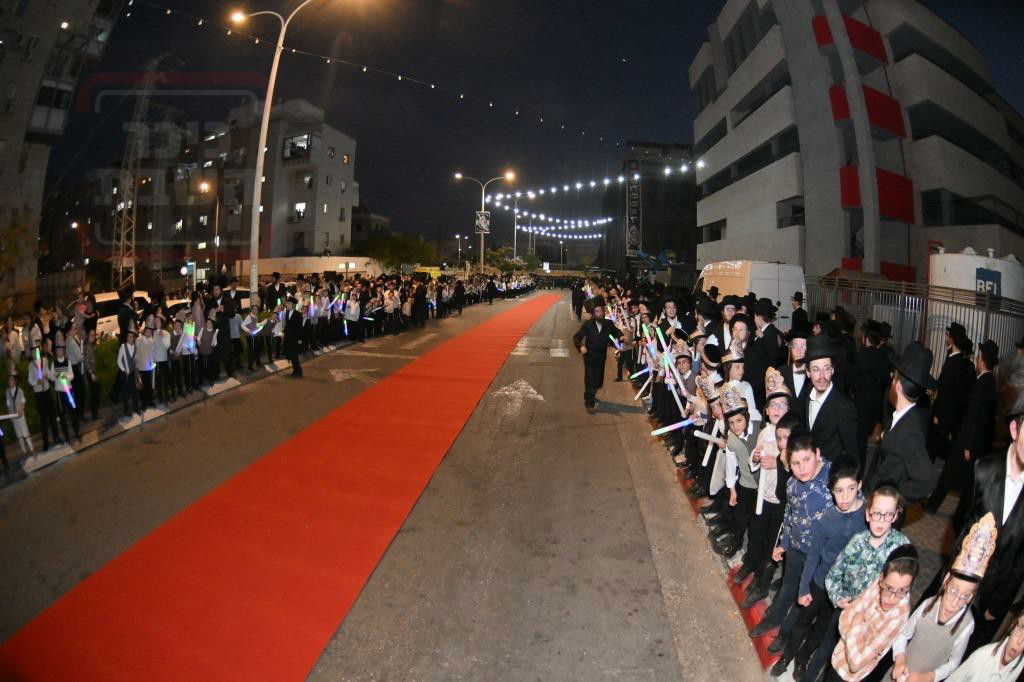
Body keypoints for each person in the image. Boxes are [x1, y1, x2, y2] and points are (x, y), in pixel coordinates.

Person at [773, 459, 866, 680]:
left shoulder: (867, 516)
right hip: (820, 582)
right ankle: (787, 656)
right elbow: (813, 556)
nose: (844, 497)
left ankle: (803, 659)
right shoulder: (826, 519)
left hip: (844, 591)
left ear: (859, 486)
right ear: (831, 491)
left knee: (823, 629)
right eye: (838, 491)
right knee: (803, 621)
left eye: (850, 489)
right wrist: (804, 587)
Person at [749, 432, 833, 655]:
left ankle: (786, 635)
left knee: (802, 600)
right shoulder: (792, 484)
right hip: (796, 549)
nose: (802, 468)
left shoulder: (835, 480)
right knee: (787, 587)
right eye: (795, 463)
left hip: (819, 557)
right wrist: (784, 543)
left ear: (818, 454)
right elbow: (789, 514)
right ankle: (773, 619)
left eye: (807, 460)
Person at [891, 512, 997, 681]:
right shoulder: (928, 605)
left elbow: (953, 663)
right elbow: (904, 634)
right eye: (954, 591)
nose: (955, 603)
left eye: (964, 597)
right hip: (901, 672)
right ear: (946, 581)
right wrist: (900, 658)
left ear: (971, 597)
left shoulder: (967, 625)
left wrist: (929, 677)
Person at [821, 486, 911, 681]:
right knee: (828, 652)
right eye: (877, 513)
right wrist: (838, 598)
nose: (881, 520)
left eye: (888, 515)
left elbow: (903, 589)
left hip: (873, 628)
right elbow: (833, 575)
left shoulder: (901, 547)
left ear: (896, 516)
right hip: (846, 612)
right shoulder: (857, 542)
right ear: (868, 514)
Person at [927, 340, 999, 525]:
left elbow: (974, 418)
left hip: (968, 441)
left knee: (949, 475)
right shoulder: (991, 382)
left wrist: (968, 446)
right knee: (969, 483)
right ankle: (960, 514)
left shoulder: (982, 384)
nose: (976, 360)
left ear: (982, 361)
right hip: (979, 443)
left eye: (978, 357)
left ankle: (933, 506)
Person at [827, 544, 920, 681]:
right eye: (889, 588)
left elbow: (856, 664)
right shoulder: (877, 583)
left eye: (902, 591)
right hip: (838, 658)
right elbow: (845, 615)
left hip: (852, 678)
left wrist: (857, 624)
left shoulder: (900, 615)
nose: (892, 598)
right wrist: (858, 644)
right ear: (881, 578)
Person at [865, 342, 937, 512]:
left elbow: (927, 481)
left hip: (885, 510)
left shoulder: (910, 431)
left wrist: (896, 497)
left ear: (897, 386)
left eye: (893, 377)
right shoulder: (904, 415)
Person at [741, 409, 799, 608]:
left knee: (771, 545)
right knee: (756, 534)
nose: (782, 442)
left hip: (781, 506)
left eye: (786, 438)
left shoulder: (796, 456)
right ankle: (751, 566)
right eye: (779, 438)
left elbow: (791, 483)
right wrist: (756, 458)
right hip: (763, 498)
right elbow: (755, 458)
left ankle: (762, 583)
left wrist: (780, 464)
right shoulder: (765, 434)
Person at [804, 334, 859, 465]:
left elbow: (852, 454)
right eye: (816, 369)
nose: (822, 376)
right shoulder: (807, 398)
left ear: (833, 370)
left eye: (826, 369)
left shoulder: (844, 407)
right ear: (808, 372)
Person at [930, 323, 976, 462]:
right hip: (955, 411)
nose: (946, 337)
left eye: (948, 335)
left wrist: (938, 413)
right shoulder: (962, 361)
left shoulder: (953, 363)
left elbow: (945, 391)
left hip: (945, 411)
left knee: (937, 442)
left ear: (952, 339)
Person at [850, 320, 892, 459]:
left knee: (859, 441)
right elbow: (887, 379)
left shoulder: (861, 355)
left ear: (865, 338)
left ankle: (858, 470)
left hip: (861, 404)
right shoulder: (883, 356)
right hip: (876, 405)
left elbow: (852, 380)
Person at [947, 604, 1024, 681]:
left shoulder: (1020, 666)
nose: (1020, 641)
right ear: (1012, 626)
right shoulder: (981, 656)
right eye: (1021, 628)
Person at [572, 298, 623, 414]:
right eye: (597, 311)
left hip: (601, 356)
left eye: (601, 311)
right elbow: (576, 337)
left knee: (598, 380)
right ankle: (589, 402)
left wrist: (621, 336)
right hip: (590, 356)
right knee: (590, 379)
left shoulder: (608, 323)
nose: (601, 313)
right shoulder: (588, 324)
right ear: (594, 313)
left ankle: (590, 394)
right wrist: (580, 346)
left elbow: (616, 331)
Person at [27, 343, 61, 450]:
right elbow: (30, 380)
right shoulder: (30, 365)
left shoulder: (45, 361)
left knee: (52, 416)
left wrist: (49, 376)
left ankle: (56, 437)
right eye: (33, 352)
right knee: (43, 420)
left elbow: (50, 374)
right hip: (39, 394)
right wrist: (36, 382)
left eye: (36, 351)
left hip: (46, 391)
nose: (35, 354)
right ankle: (45, 442)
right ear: (31, 354)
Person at [5, 371, 33, 456]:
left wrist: (21, 409)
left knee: (25, 432)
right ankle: (24, 450)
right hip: (13, 415)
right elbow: (8, 404)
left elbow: (23, 401)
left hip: (20, 414)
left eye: (12, 380)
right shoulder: (7, 392)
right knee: (19, 434)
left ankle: (31, 448)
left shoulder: (19, 390)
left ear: (15, 381)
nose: (10, 382)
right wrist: (10, 415)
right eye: (9, 380)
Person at [116, 324, 142, 418]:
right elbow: (119, 361)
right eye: (129, 337)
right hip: (124, 374)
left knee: (134, 391)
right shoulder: (123, 347)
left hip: (131, 373)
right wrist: (124, 370)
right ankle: (126, 410)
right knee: (125, 393)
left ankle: (136, 408)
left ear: (134, 338)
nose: (130, 338)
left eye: (132, 337)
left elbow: (135, 360)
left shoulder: (135, 348)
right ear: (127, 338)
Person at [283, 296, 304, 378]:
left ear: (293, 305)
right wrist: (284, 333)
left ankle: (298, 371)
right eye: (287, 303)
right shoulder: (287, 313)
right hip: (288, 338)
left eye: (289, 304)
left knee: (294, 356)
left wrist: (300, 338)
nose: (287, 305)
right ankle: (295, 371)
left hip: (295, 338)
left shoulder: (298, 314)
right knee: (291, 356)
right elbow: (287, 326)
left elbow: (300, 328)